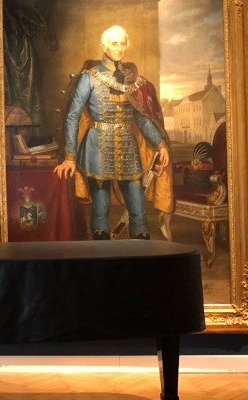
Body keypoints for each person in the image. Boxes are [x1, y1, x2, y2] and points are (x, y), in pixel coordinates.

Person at [53, 25, 173, 240]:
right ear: (104, 46)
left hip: (127, 146)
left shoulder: (133, 79)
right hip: (96, 149)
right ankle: (102, 254)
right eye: (114, 43)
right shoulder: (89, 77)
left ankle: (140, 253)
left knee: (138, 209)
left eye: (122, 43)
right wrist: (70, 157)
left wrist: (160, 144)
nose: (119, 48)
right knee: (100, 209)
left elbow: (141, 118)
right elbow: (72, 116)